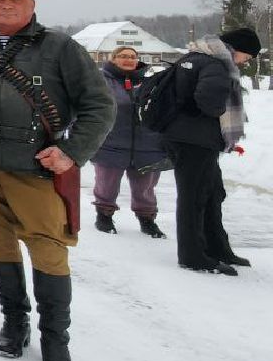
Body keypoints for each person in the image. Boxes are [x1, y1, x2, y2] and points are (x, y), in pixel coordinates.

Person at [0, 0, 115, 361]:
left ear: (32, 4)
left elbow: (99, 105)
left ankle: (55, 340)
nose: (7, 5)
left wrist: (72, 151)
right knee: (0, 241)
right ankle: (14, 322)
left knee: (47, 252)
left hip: (35, 170)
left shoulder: (59, 47)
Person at [160, 27, 261, 275]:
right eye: (247, 57)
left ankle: (216, 247)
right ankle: (192, 255)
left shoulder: (198, 57)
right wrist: (218, 114)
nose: (245, 62)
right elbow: (209, 102)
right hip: (194, 140)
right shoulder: (216, 64)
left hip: (191, 138)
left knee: (213, 193)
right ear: (237, 49)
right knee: (194, 198)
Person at [90, 47, 171, 238]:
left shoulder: (150, 82)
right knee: (106, 184)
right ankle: (104, 216)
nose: (128, 60)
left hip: (147, 145)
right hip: (111, 143)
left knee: (145, 188)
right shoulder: (100, 81)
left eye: (133, 57)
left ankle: (147, 220)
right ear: (113, 59)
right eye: (123, 56)